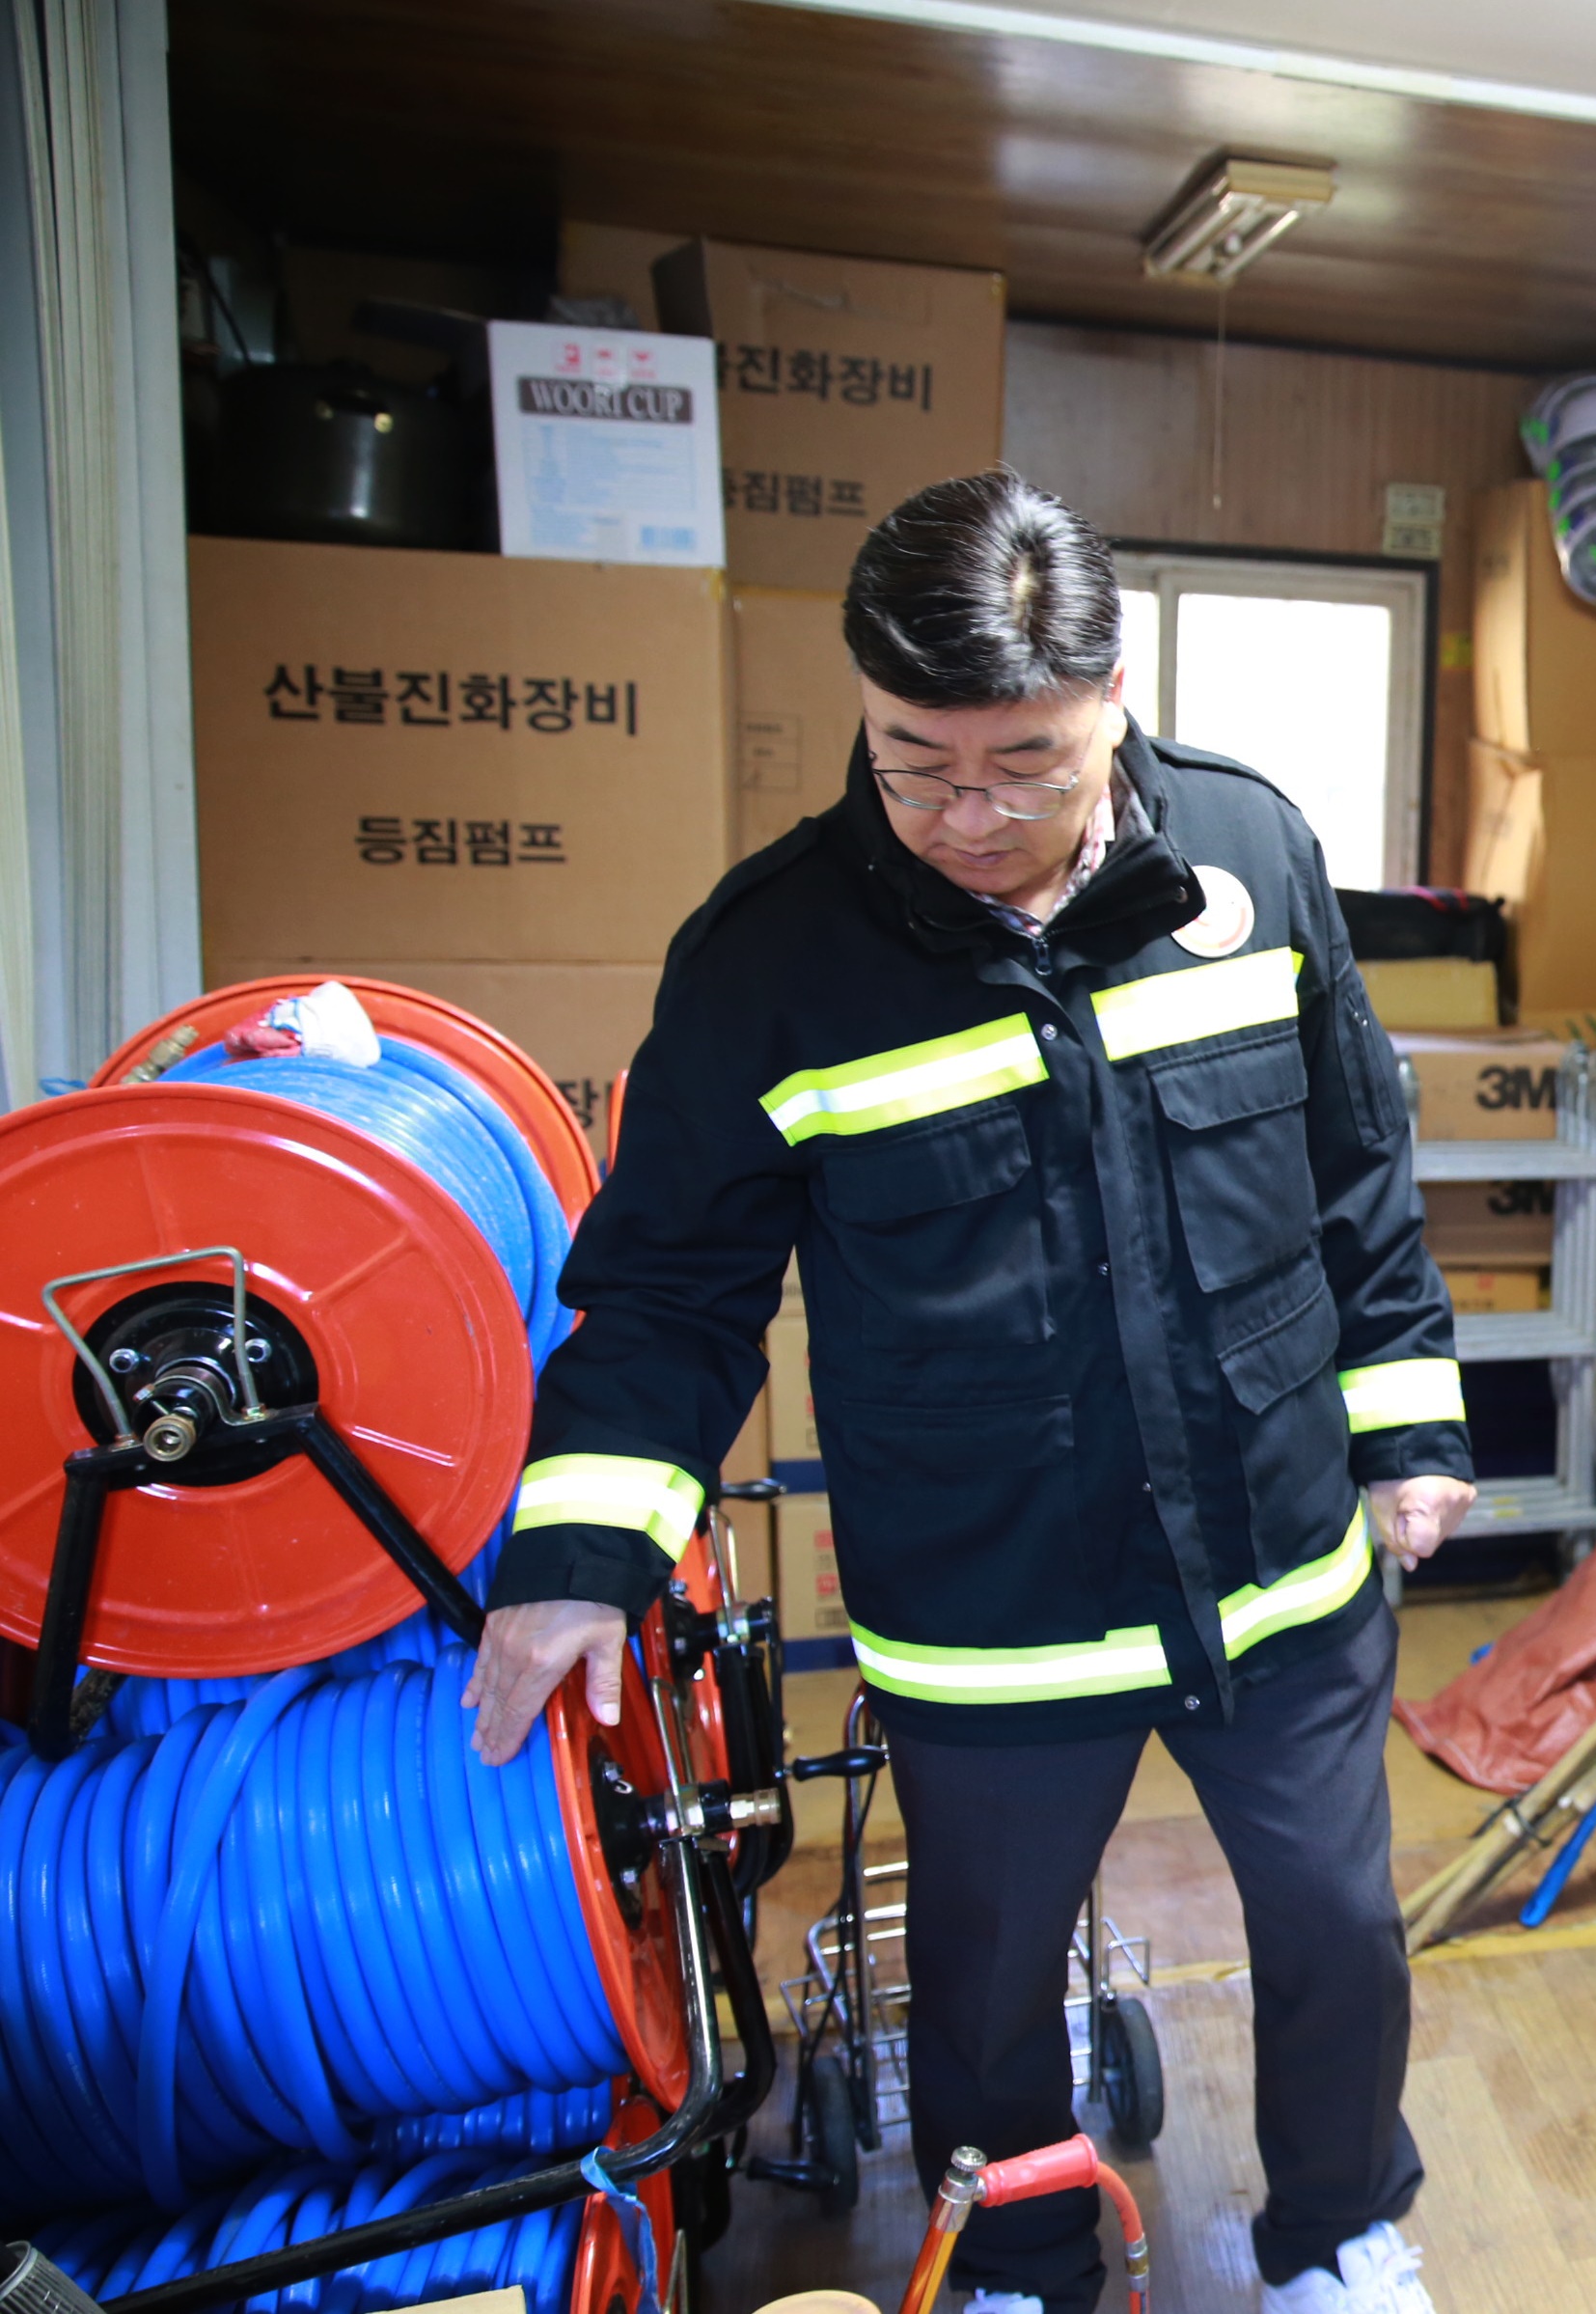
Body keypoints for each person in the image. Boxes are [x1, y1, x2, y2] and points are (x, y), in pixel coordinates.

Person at [465, 471, 1469, 2314]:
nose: (965, 817)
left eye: (1025, 765)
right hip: (993, 1591)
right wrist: (582, 1546)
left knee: (1336, 1927)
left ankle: (1340, 2228)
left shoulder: (1251, 853)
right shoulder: (766, 961)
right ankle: (1012, 2257)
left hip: (1278, 1551)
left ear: (1112, 705)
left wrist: (1406, 1421)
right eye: (913, 761)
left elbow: (1353, 1161)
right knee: (987, 1977)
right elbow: (671, 1285)